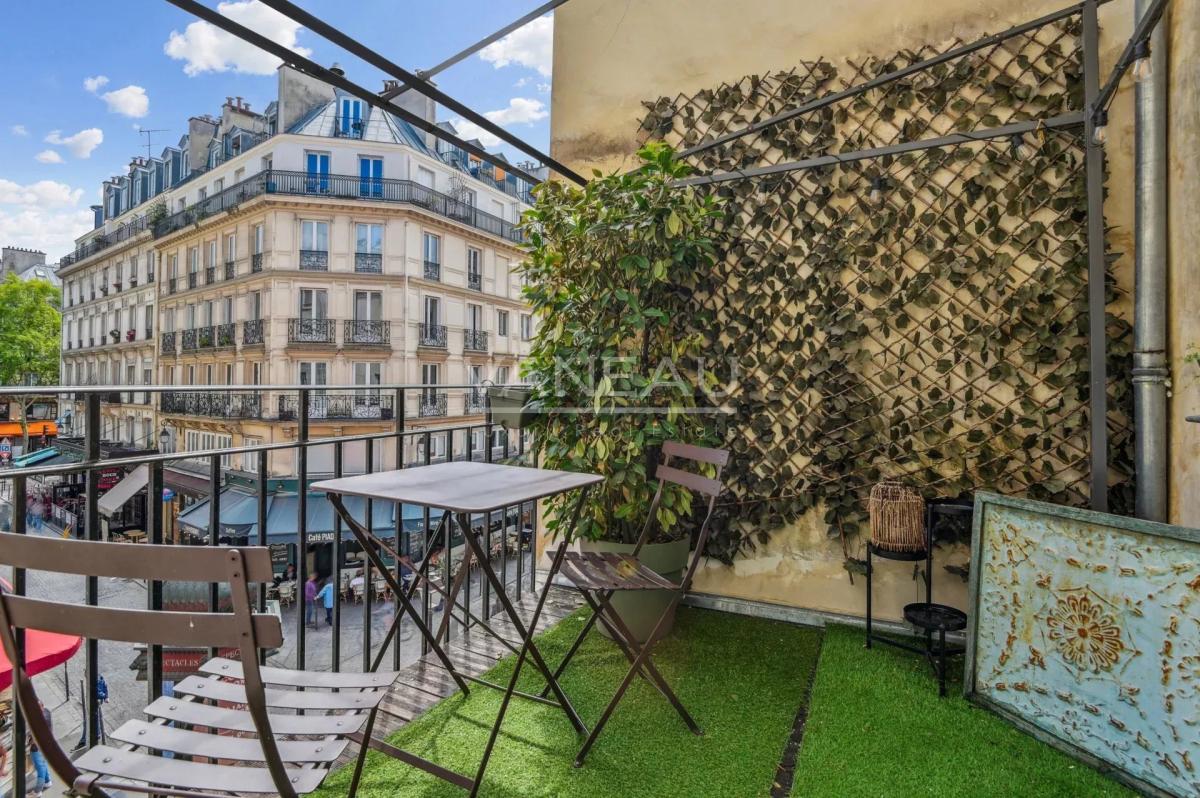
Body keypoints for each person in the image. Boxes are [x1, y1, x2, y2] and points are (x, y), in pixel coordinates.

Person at [28, 699, 51, 796]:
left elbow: (37, 735)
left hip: (37, 747)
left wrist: (31, 743)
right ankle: (47, 781)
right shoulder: (47, 712)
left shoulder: (39, 719)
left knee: (40, 767)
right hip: (46, 744)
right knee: (43, 763)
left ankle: (37, 791)